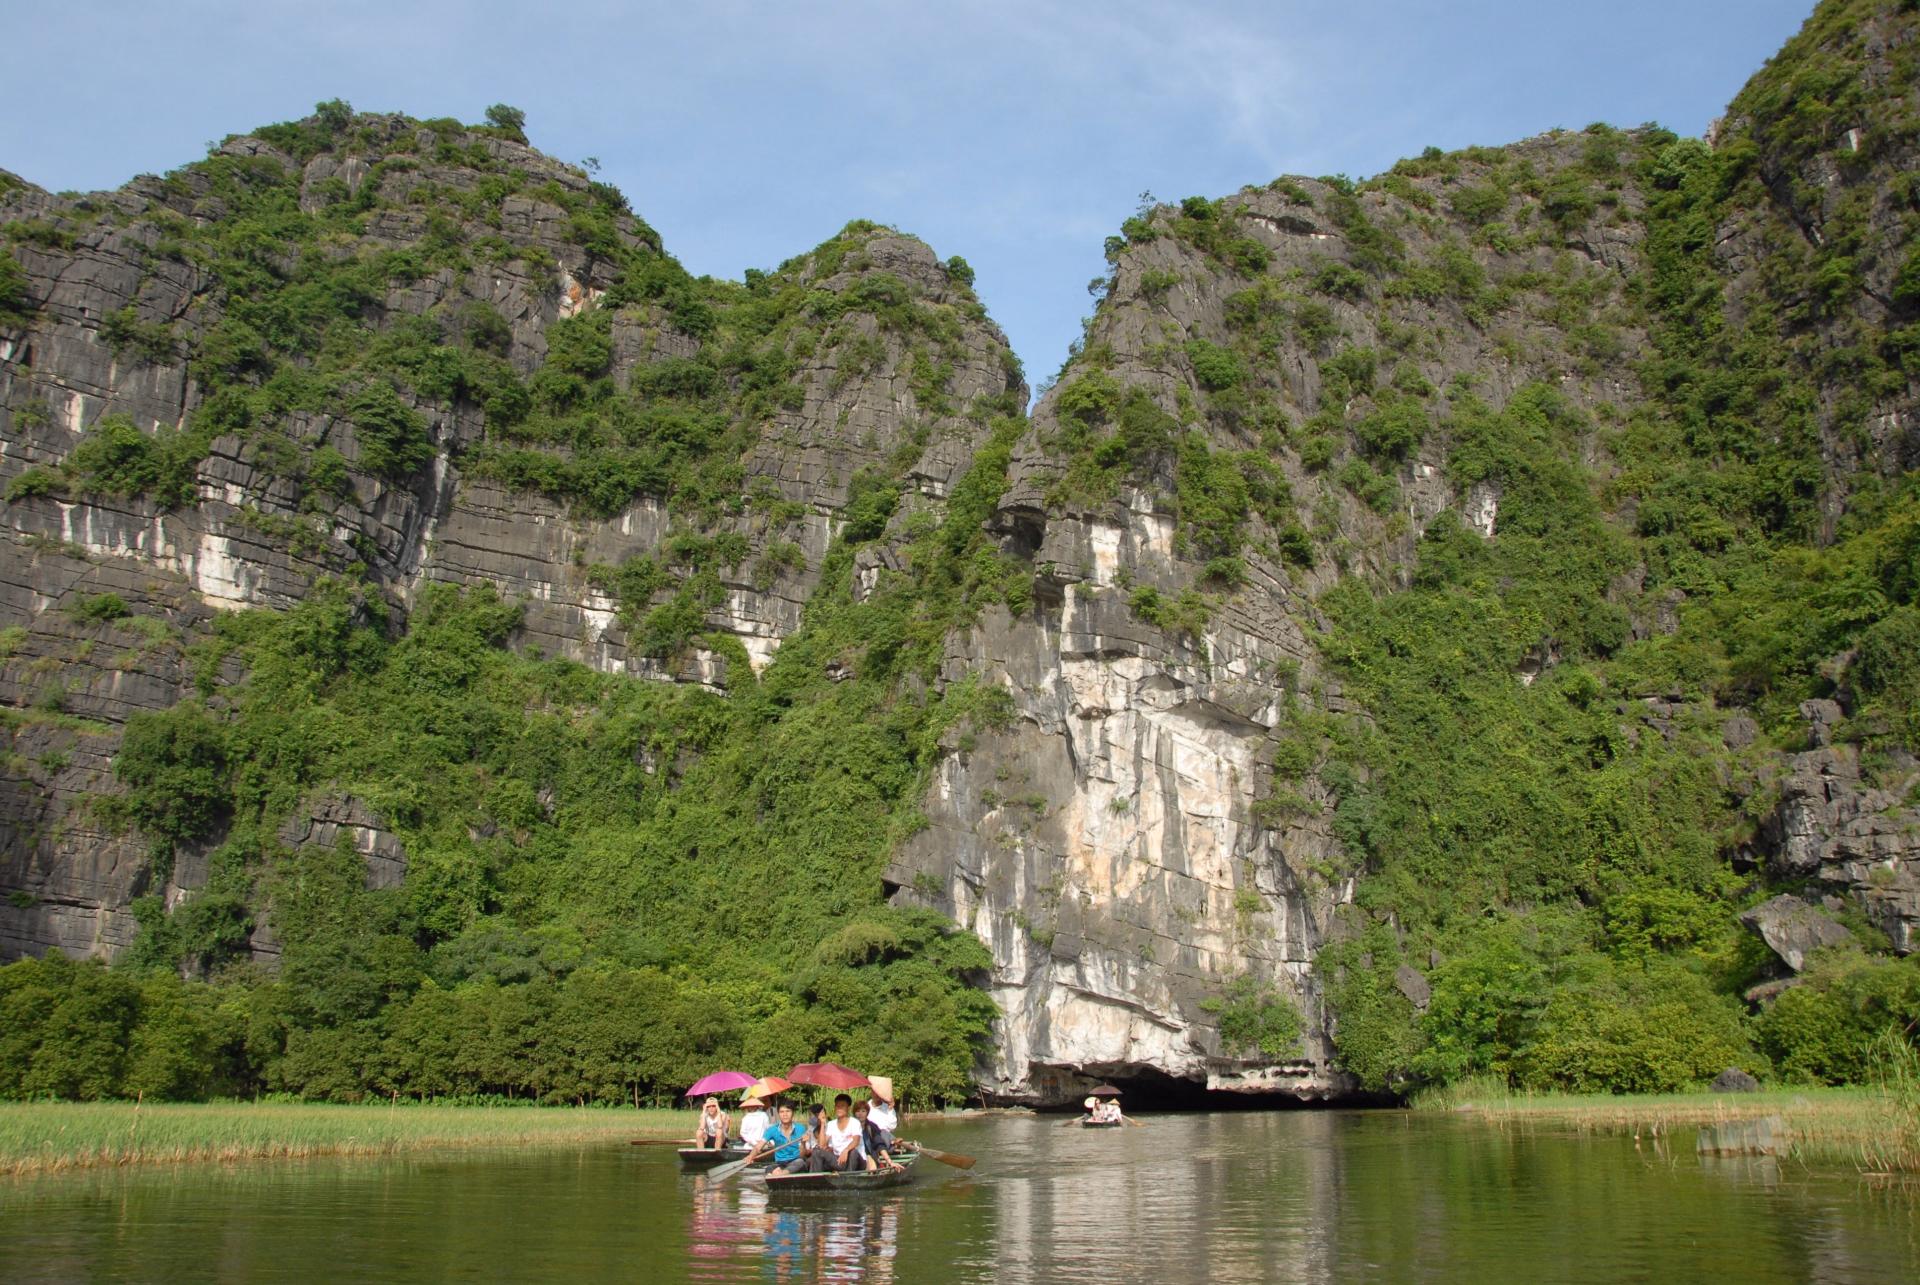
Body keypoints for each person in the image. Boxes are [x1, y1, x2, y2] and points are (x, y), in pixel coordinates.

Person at [807, 1093, 866, 1173]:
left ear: (848, 1108)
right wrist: (823, 1124)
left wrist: (846, 1151)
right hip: (839, 1160)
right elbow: (822, 1146)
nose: (839, 1108)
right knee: (816, 1151)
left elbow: (856, 1141)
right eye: (837, 1106)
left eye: (842, 1106)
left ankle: (849, 1179)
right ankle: (816, 1181)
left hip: (856, 1160)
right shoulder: (831, 1124)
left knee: (853, 1151)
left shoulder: (855, 1122)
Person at [745, 1103, 809, 1175]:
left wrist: (803, 1143)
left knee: (800, 1162)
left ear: (793, 1113)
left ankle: (780, 1174)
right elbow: (757, 1147)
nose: (785, 1115)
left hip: (796, 1162)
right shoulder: (772, 1129)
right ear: (778, 1114)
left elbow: (802, 1156)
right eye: (782, 1112)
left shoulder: (801, 1128)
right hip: (780, 1163)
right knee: (769, 1168)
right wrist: (751, 1155)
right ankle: (775, 1174)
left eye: (788, 1111)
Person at [853, 1099, 893, 1170]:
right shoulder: (850, 1126)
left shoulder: (871, 1127)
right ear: (854, 1113)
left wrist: (889, 1161)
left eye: (863, 1111)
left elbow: (879, 1144)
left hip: (869, 1158)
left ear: (867, 1113)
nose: (860, 1114)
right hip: (853, 1158)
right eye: (858, 1111)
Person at [866, 1077, 898, 1144]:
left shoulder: (887, 1108)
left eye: (877, 1093)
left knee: (883, 1133)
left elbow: (893, 1127)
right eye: (873, 1092)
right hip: (870, 1138)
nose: (875, 1095)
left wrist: (890, 1110)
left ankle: (892, 1143)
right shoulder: (865, 1107)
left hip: (885, 1138)